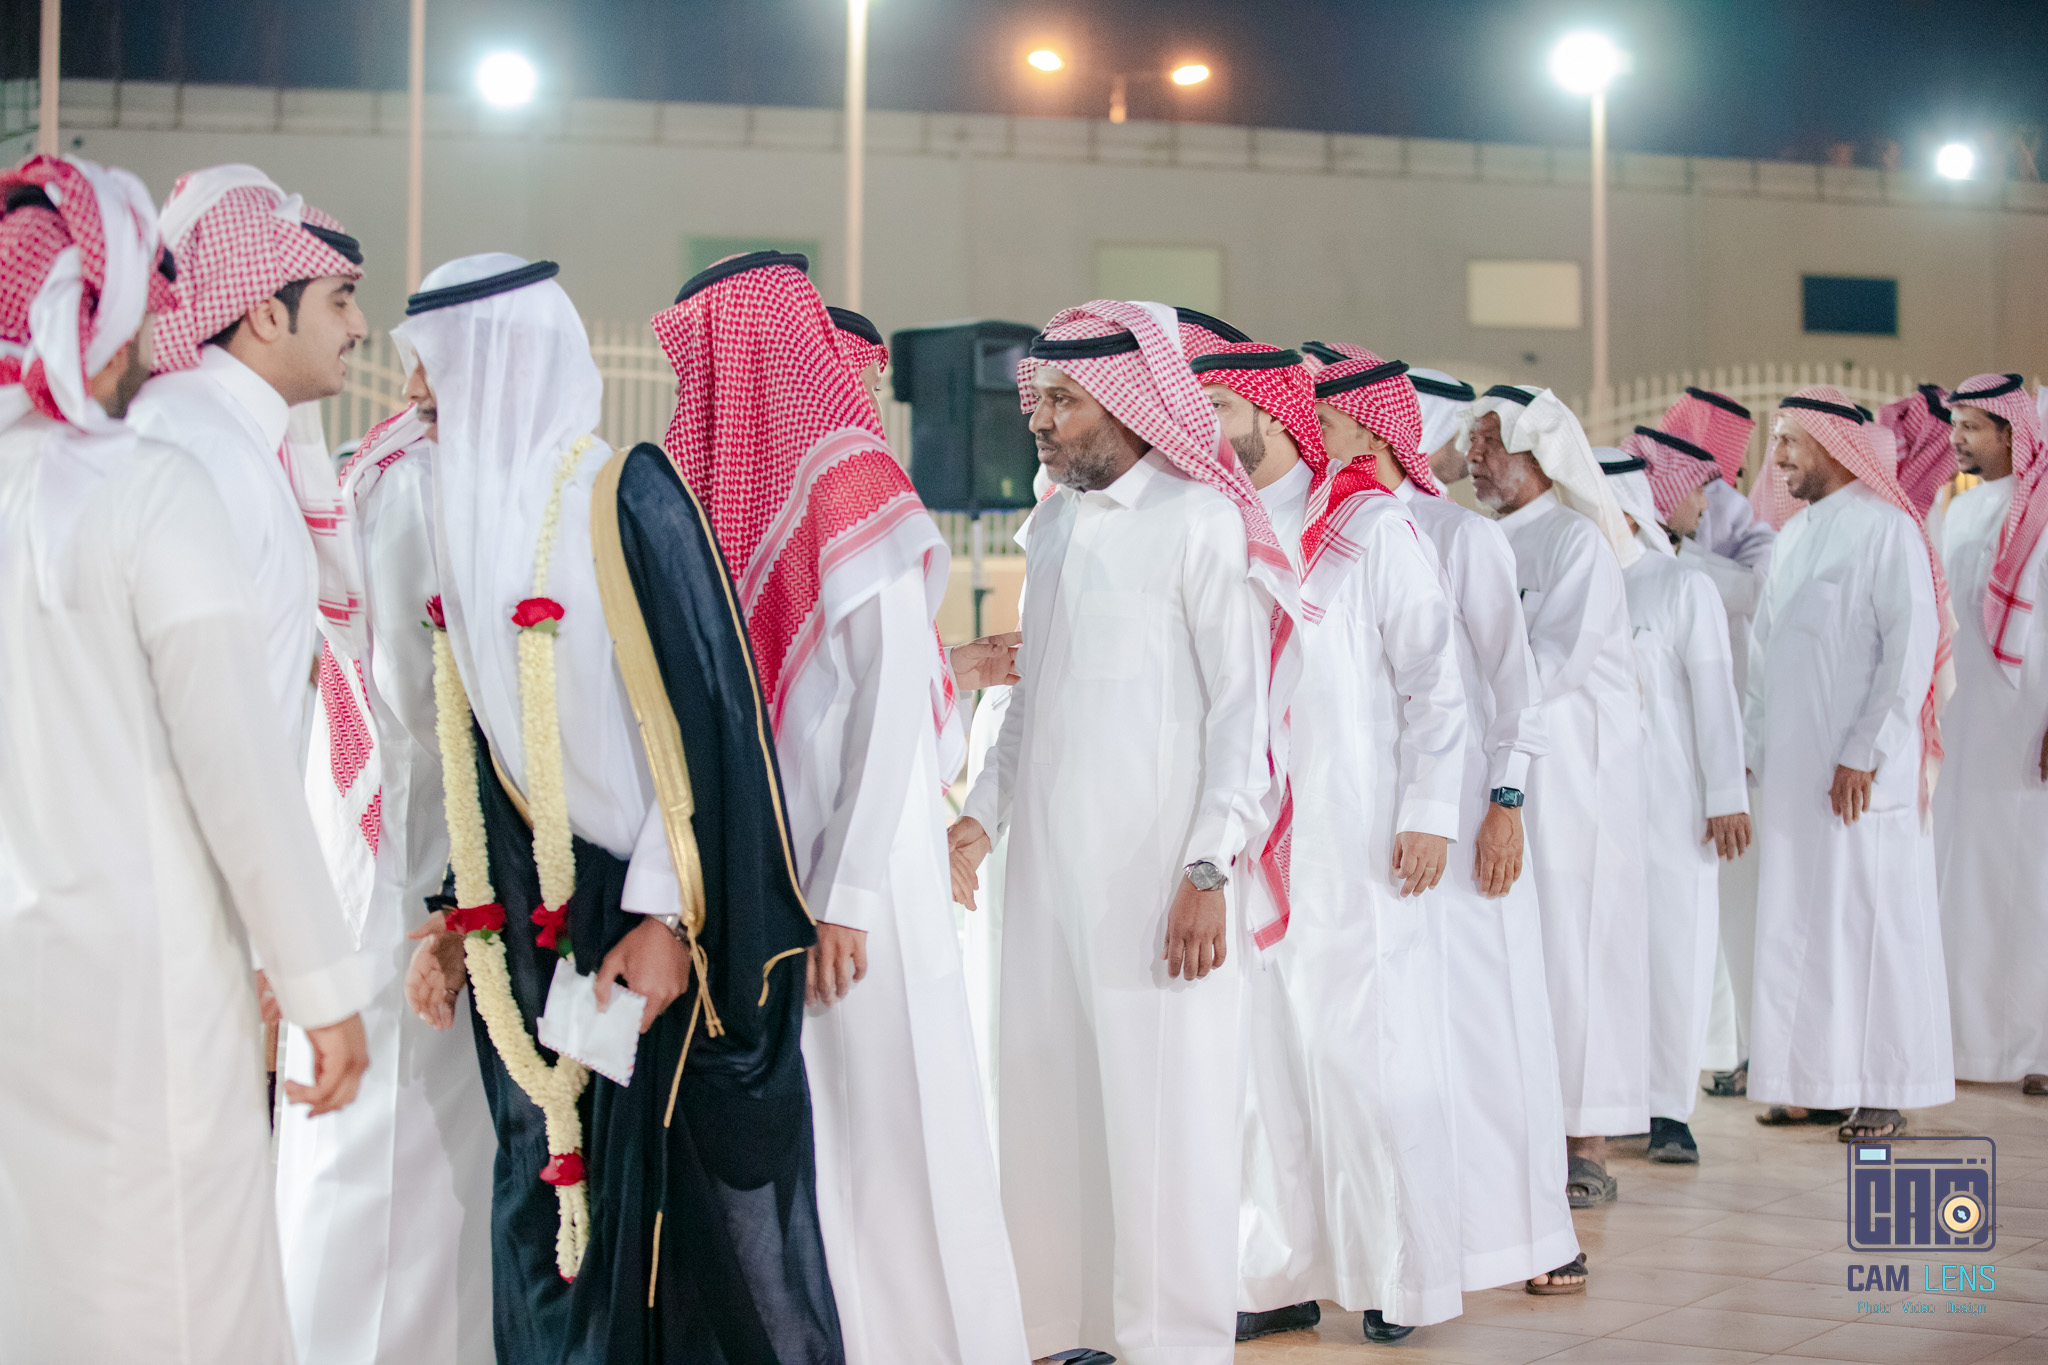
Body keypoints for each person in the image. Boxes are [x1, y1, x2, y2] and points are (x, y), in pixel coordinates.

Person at [396, 254, 841, 1363]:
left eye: (433, 366)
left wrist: (667, 916)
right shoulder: (464, 519)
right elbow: (487, 749)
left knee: (689, 1238)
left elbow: (712, 717)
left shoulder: (622, 497)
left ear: (500, 364)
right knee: (554, 1205)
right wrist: (461, 913)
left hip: (658, 917)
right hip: (537, 920)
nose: (411, 393)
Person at [0, 152, 372, 1364]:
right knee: (176, 1290)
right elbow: (236, 758)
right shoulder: (158, 478)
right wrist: (312, 979)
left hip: (28, 952)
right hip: (147, 967)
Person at [657, 254, 1028, 1365]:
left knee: (886, 1124)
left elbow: (887, 704)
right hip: (780, 870)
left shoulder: (848, 487)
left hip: (847, 877)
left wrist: (850, 892)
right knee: (823, 1132)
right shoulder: (727, 494)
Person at [949, 299, 1298, 1365]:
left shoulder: (1200, 522)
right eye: (1039, 400)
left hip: (1160, 879)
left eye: (1062, 400)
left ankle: (1171, 1342)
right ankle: (1066, 1329)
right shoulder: (1055, 525)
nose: (1038, 420)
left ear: (1130, 405)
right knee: (1048, 1096)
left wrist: (1209, 867)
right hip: (1047, 875)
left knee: (1163, 1116)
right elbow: (1032, 700)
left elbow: (1242, 718)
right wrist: (979, 818)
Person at [1190, 344, 1463, 1344]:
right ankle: (1277, 1274)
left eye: (1222, 406)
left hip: (1356, 833)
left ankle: (1398, 1277)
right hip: (1249, 833)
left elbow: (1434, 681)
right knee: (1263, 1063)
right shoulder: (1215, 525)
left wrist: (1428, 809)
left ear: (1273, 412)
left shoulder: (1368, 525)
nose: (1206, 426)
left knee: (1363, 1057)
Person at [1313, 353, 1581, 1296]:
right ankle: (1432, 1248)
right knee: (1409, 1044)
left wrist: (1505, 803)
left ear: (1374, 427)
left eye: (1327, 416)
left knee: (1489, 1027)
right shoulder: (1330, 530)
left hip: (1463, 824)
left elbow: (1515, 687)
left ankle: (1534, 1234)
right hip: (1380, 833)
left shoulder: (1460, 536)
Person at [283, 396, 496, 1361]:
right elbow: (424, 695)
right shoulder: (416, 482)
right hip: (414, 872)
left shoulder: (397, 464)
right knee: (391, 1170)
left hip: (383, 868)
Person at [1745, 385, 1955, 1142]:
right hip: (1796, 775)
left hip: (1863, 777)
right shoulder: (1795, 535)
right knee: (1801, 926)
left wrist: (1865, 750)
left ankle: (1885, 1089)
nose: (1776, 458)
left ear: (1833, 446)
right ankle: (1815, 1082)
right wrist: (1755, 749)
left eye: (1788, 441)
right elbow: (1764, 654)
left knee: (1874, 927)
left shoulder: (1887, 530)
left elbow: (1910, 655)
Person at [1460, 385, 1649, 1209]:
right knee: (1517, 953)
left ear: (1538, 454)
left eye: (1490, 441)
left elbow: (1552, 663)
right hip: (1502, 777)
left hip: (1572, 787)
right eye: (1472, 442)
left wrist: (1465, 705)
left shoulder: (1576, 543)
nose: (1474, 457)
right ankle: (1523, 1134)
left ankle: (1588, 1140)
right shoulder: (1480, 539)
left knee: (1577, 952)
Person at [128, 164, 369, 732]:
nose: (358, 326)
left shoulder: (223, 427)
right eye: (340, 301)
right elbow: (185, 697)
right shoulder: (202, 442)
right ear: (266, 314)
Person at [1601, 452, 1750, 1163]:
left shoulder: (1680, 585)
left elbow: (1716, 695)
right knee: (1606, 956)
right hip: (1594, 808)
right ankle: (1614, 1101)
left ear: (1628, 513)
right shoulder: (1572, 585)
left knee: (1674, 951)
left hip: (1671, 806)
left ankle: (1669, 1110)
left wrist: (1726, 797)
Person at [1623, 391, 1770, 1099]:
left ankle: (1683, 1088)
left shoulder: (1700, 567)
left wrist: (1725, 794)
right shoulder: (1618, 569)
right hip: (1623, 786)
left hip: (1695, 778)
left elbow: (1718, 688)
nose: (1710, 501)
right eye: (1698, 487)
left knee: (1694, 929)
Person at [1931, 375, 2048, 1096]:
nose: (1957, 440)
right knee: (1964, 875)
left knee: (2030, 880)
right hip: (1967, 722)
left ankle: (2035, 1046)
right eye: (1955, 426)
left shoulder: (2043, 510)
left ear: (2010, 432)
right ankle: (1967, 1044)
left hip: (2029, 722)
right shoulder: (1964, 508)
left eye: (1971, 426)